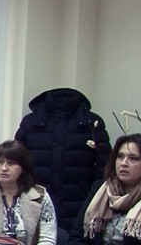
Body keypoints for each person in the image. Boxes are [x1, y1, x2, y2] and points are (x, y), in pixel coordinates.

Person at [15, 87, 111, 231]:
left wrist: (95, 198)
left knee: (72, 240)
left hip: (80, 202)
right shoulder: (31, 122)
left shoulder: (91, 123)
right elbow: (14, 161)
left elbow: (104, 168)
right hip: (35, 199)